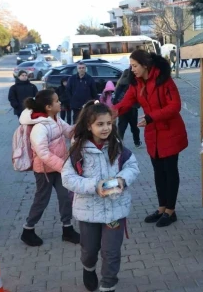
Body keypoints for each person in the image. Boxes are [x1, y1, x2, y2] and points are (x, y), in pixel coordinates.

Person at [62, 101, 139, 292]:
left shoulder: (117, 146)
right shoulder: (78, 150)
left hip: (115, 210)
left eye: (108, 123)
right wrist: (93, 186)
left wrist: (122, 179)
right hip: (88, 211)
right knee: (89, 250)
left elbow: (132, 166)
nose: (105, 128)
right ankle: (88, 268)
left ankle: (108, 283)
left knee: (111, 251)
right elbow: (68, 178)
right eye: (100, 124)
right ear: (89, 126)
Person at [113, 50, 188, 227]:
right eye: (131, 66)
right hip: (152, 133)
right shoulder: (136, 83)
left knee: (170, 171)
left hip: (169, 131)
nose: (132, 70)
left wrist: (151, 117)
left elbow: (175, 105)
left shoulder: (164, 80)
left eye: (135, 66)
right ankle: (161, 208)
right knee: (158, 171)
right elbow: (125, 104)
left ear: (145, 65)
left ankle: (171, 211)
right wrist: (108, 113)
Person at [18, 89, 79, 246]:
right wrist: (64, 166)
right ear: (48, 107)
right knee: (41, 200)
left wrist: (85, 121)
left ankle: (67, 229)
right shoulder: (40, 126)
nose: (59, 102)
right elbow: (43, 153)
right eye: (56, 101)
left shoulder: (56, 118)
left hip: (60, 168)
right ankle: (28, 230)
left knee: (65, 198)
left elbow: (69, 132)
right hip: (44, 171)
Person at [112, 69, 142, 148]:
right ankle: (137, 141)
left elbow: (115, 97)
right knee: (134, 126)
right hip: (132, 108)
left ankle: (119, 142)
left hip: (122, 108)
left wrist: (115, 106)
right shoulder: (132, 84)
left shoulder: (120, 83)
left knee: (121, 127)